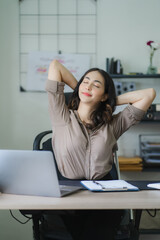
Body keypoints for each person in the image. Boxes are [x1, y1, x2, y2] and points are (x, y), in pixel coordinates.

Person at [44, 59, 156, 240]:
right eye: (85, 81)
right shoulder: (61, 115)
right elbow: (56, 66)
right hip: (69, 195)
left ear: (104, 95)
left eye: (96, 85)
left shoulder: (113, 125)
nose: (88, 86)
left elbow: (149, 94)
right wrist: (81, 89)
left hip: (105, 194)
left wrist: (109, 100)